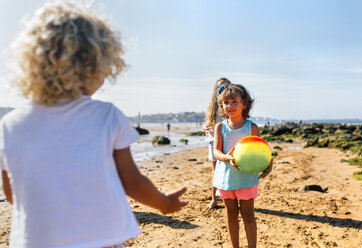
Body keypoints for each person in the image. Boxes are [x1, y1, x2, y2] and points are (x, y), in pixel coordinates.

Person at [0, 2, 187, 248]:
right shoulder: (106, 116)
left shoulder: (10, 124)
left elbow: (13, 194)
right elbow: (132, 182)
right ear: (95, 64)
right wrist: (164, 203)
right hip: (98, 239)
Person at [213, 84, 273, 248]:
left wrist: (268, 163)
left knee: (248, 215)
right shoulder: (220, 127)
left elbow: (261, 149)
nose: (230, 106)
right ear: (221, 105)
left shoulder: (251, 127)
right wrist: (227, 157)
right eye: (225, 102)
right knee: (231, 214)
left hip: (246, 178)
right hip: (226, 178)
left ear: (245, 103)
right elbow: (216, 152)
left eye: (234, 101)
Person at [203, 77, 231, 209]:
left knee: (228, 168)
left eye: (226, 86)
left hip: (227, 138)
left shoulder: (229, 104)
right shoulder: (211, 107)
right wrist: (205, 128)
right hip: (212, 139)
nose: (223, 89)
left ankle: (229, 196)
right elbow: (208, 122)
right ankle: (214, 199)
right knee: (215, 170)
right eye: (220, 87)